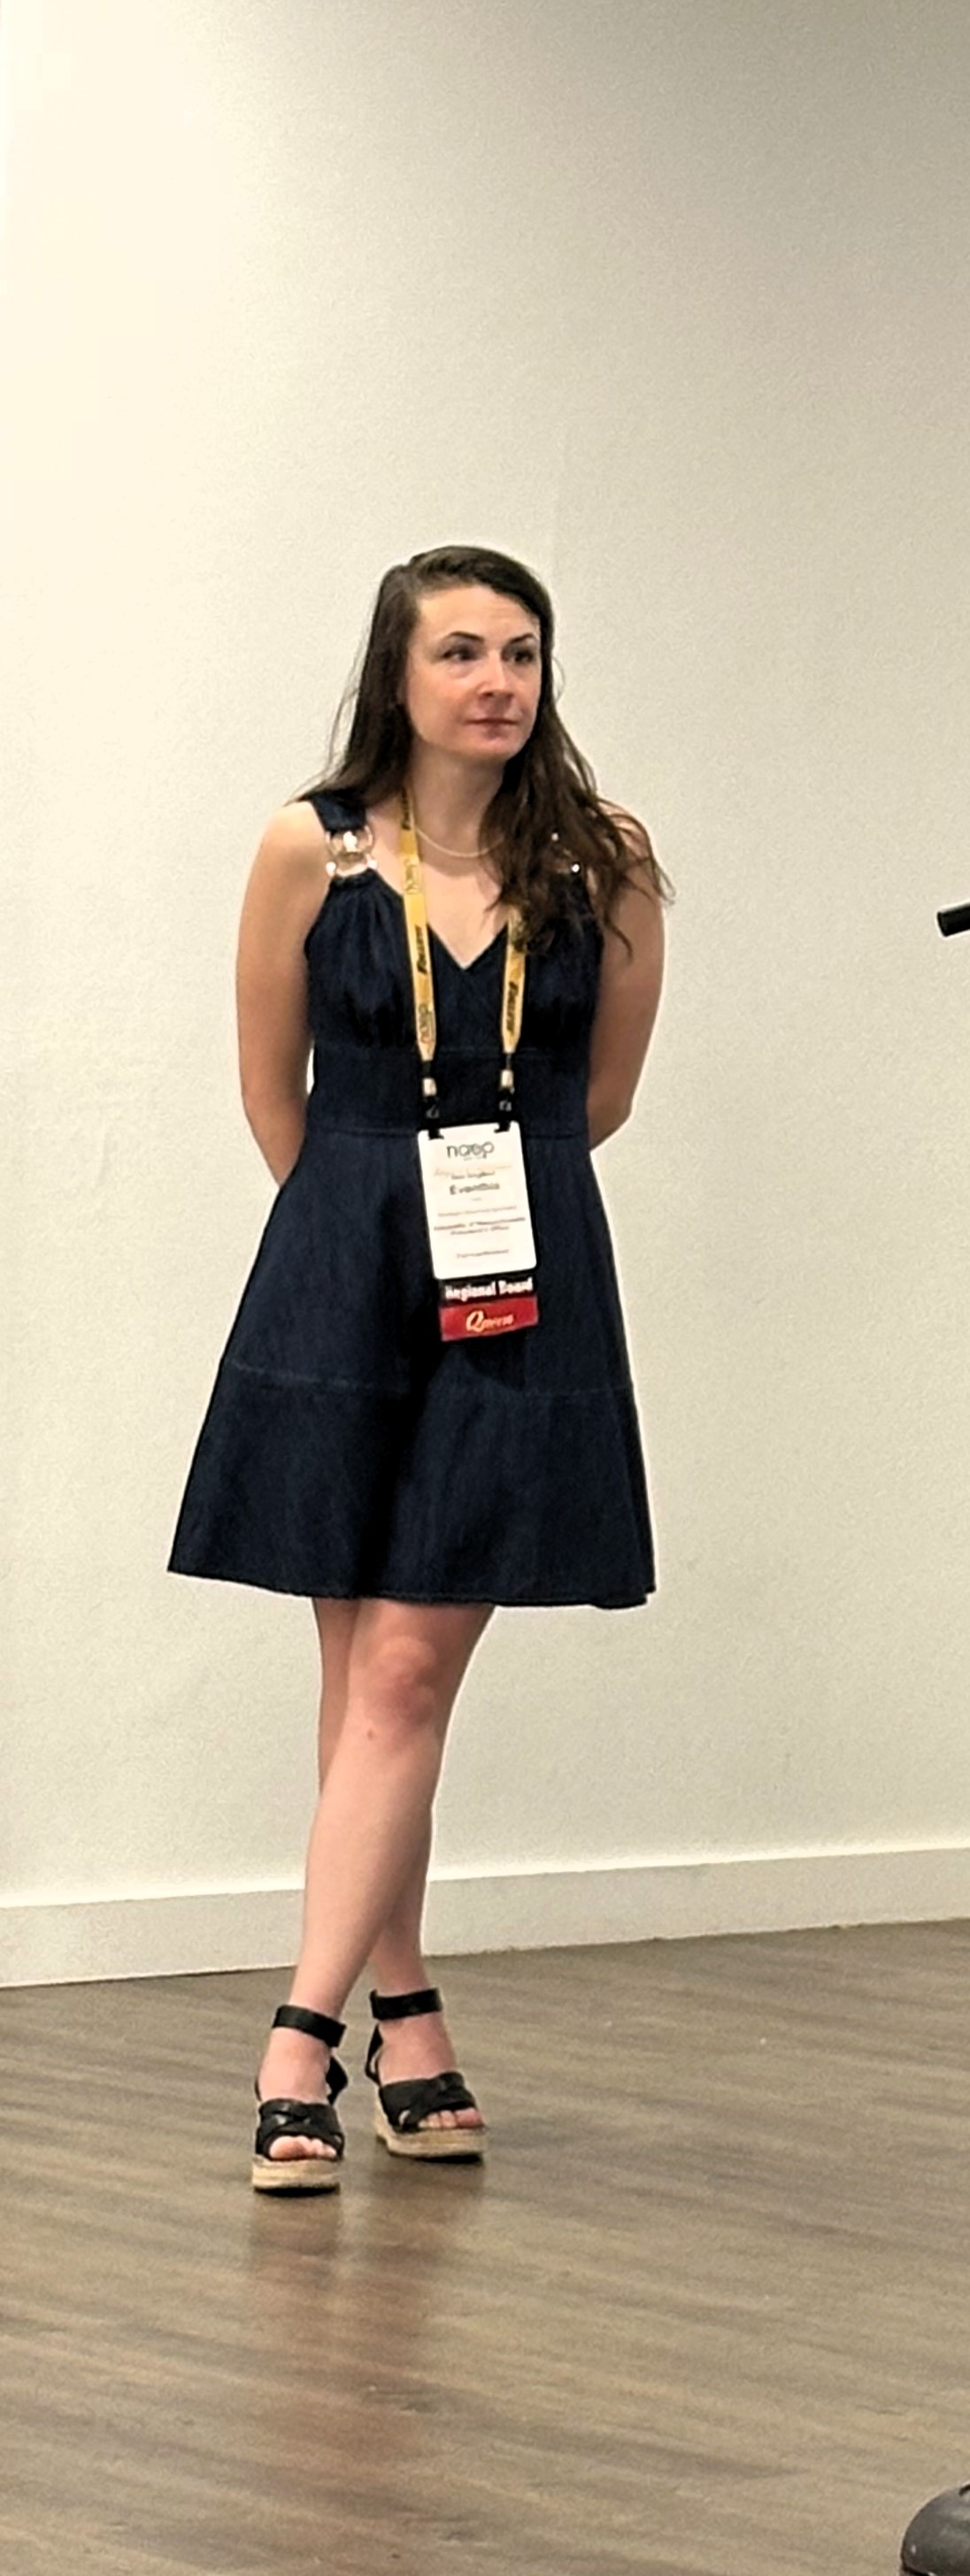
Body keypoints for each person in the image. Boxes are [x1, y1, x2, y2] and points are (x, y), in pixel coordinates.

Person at [171, 547, 667, 2191]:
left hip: (521, 1268)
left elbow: (597, 1099)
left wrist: (476, 1205)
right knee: (360, 1683)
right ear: (397, 673)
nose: (496, 681)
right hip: (344, 1261)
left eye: (522, 651)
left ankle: (294, 2036)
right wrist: (360, 1221)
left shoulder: (606, 864)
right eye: (460, 650)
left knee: (401, 1677)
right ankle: (411, 2010)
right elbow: (269, 1088)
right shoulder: (305, 849)